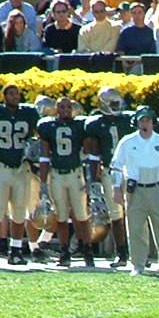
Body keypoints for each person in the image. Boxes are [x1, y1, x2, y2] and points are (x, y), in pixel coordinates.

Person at [111, 105, 159, 275]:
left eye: (148, 120)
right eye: (142, 120)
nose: (145, 124)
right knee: (135, 228)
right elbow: (116, 167)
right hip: (135, 188)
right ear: (136, 122)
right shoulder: (127, 142)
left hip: (157, 187)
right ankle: (138, 265)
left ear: (153, 122)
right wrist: (116, 189)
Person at [0, 84, 40, 266]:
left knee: (20, 212)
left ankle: (16, 251)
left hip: (21, 168)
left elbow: (39, 137)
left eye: (17, 94)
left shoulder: (28, 113)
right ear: (4, 96)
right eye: (11, 94)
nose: (15, 96)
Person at [37, 96, 93, 269]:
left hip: (75, 173)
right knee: (61, 216)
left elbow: (89, 150)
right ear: (56, 109)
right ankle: (64, 251)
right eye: (62, 107)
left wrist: (90, 177)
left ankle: (87, 249)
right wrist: (44, 183)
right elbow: (45, 156)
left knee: (81, 215)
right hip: (57, 174)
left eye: (69, 106)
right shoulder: (48, 126)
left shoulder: (80, 126)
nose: (66, 110)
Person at [82, 87, 132, 267]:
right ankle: (122, 253)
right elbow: (94, 154)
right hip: (110, 172)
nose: (117, 106)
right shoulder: (95, 124)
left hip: (131, 170)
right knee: (116, 214)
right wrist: (94, 180)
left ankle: (136, 252)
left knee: (135, 212)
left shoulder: (129, 120)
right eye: (113, 103)